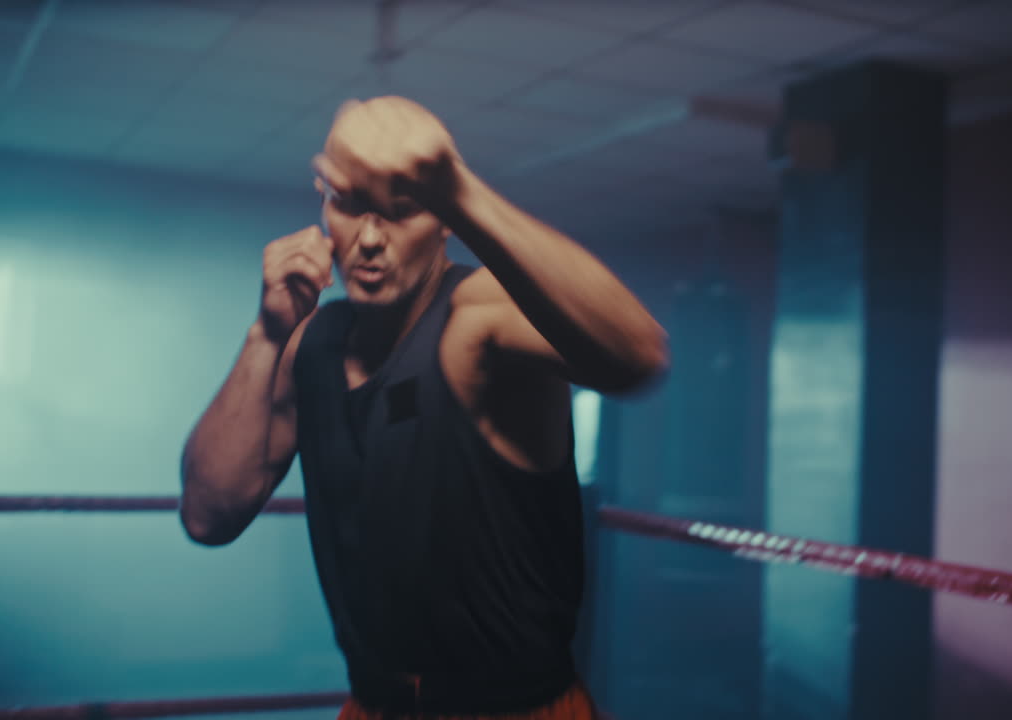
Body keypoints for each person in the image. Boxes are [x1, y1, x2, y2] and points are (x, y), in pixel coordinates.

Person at [179, 95, 669, 719]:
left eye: (402, 211)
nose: (370, 240)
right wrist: (266, 334)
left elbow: (638, 357)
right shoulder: (312, 341)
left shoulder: (479, 317)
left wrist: (457, 187)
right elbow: (207, 515)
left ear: (443, 222)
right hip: (374, 707)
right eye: (349, 205)